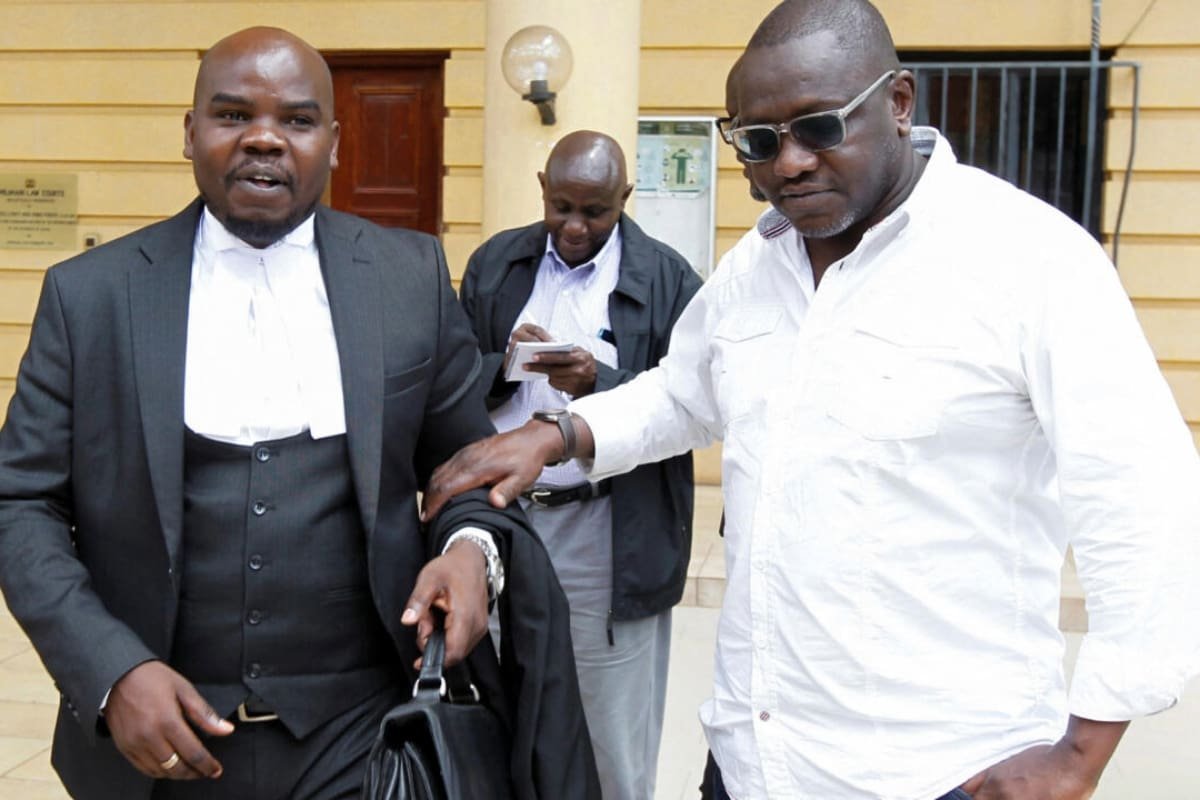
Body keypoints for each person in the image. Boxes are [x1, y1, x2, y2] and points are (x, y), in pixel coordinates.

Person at [422, 2, 1200, 799]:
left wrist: (1080, 754)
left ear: (899, 102)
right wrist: (557, 433)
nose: (789, 163)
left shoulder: (1028, 259)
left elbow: (1144, 495)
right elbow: (682, 394)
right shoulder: (754, 269)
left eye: (819, 128)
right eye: (758, 141)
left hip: (938, 771)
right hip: (753, 762)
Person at [0, 26, 598, 800]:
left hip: (362, 739)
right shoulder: (90, 297)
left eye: (297, 119)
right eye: (231, 115)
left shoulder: (406, 278)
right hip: (158, 747)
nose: (263, 138)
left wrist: (470, 552)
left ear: (335, 143)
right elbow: (20, 502)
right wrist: (110, 672)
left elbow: (466, 473)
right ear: (188, 133)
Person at [457, 130, 702, 800]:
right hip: (504, 521)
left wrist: (599, 381)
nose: (573, 226)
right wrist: (505, 366)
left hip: (608, 532)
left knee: (608, 736)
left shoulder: (669, 280)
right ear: (542, 188)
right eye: (561, 207)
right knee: (495, 713)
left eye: (595, 212)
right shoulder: (495, 264)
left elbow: (692, 405)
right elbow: (450, 379)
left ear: (625, 197)